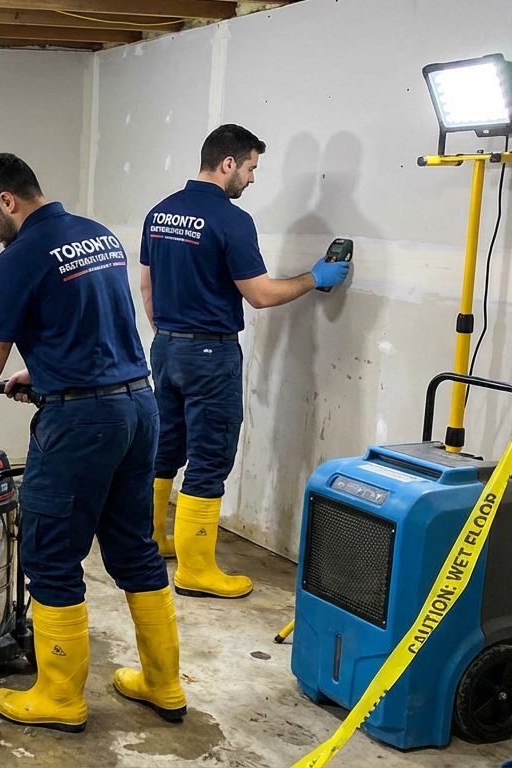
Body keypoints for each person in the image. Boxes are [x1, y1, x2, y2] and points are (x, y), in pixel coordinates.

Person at [0, 154, 186, 732]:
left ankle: (59, 696)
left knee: (50, 554)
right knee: (135, 548)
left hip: (81, 424)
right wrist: (44, 372)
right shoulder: (98, 236)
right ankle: (164, 684)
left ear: (7, 201)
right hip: (138, 406)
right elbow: (99, 327)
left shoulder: (18, 258)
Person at [140, 124, 351, 598]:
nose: (252, 179)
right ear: (228, 163)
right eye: (251, 168)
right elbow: (259, 295)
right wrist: (314, 278)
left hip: (166, 347)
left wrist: (169, 336)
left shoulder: (160, 213)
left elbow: (146, 285)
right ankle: (196, 571)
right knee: (209, 457)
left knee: (166, 447)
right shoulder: (231, 220)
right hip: (210, 354)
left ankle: (151, 540)